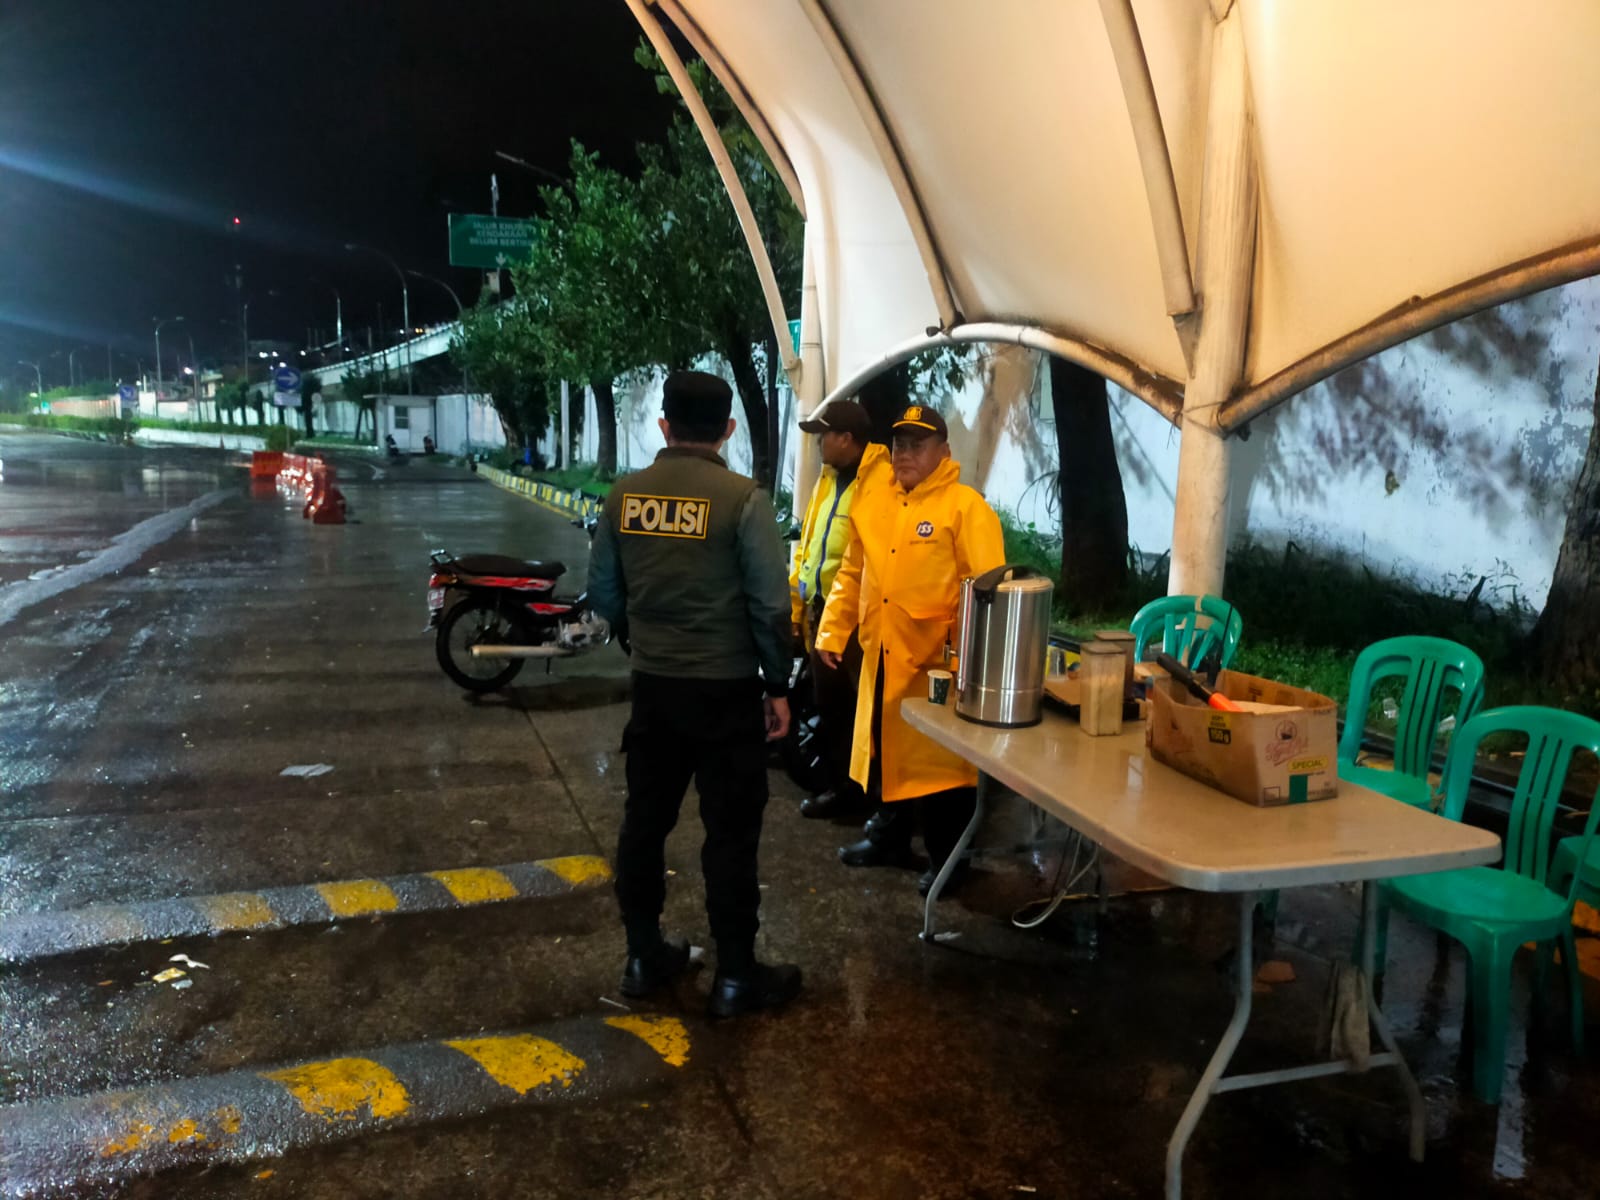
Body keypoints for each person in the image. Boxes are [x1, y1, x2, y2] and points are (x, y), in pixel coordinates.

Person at [586, 370, 803, 1018]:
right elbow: (771, 606)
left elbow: (604, 595)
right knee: (730, 833)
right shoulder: (743, 500)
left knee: (645, 823)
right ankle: (735, 976)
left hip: (655, 692)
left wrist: (645, 639)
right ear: (728, 429)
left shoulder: (624, 496)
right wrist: (777, 685)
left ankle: (642, 955)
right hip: (726, 695)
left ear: (664, 425)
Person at [815, 403, 1005, 896]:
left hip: (935, 668)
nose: (904, 454)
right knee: (882, 754)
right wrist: (833, 631)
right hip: (880, 656)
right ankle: (888, 839)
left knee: (942, 772)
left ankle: (951, 864)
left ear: (944, 451)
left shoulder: (965, 508)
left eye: (918, 445)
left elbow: (988, 592)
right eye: (899, 444)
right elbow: (852, 573)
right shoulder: (874, 503)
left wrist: (968, 661)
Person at [787, 400, 888, 820]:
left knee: (860, 713)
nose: (819, 444)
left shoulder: (882, 483)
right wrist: (797, 609)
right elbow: (808, 545)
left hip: (857, 621)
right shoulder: (827, 480)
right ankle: (841, 790)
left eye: (824, 435)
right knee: (830, 707)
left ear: (846, 438)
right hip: (821, 613)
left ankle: (868, 800)